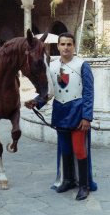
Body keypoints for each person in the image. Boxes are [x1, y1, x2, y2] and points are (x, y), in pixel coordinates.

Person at [24, 32, 97, 201]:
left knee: (79, 149)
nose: (66, 47)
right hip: (61, 112)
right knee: (65, 150)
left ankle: (84, 186)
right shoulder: (52, 67)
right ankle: (69, 180)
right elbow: (49, 92)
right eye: (62, 44)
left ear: (74, 46)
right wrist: (36, 102)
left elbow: (89, 93)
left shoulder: (82, 65)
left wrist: (86, 117)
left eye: (69, 44)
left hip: (78, 113)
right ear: (58, 46)